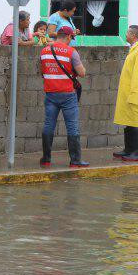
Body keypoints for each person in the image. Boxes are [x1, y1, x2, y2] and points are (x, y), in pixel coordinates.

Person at [39, 25, 89, 168]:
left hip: (50, 93)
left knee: (49, 125)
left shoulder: (44, 51)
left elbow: (42, 71)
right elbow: (82, 73)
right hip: (67, 94)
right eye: (71, 38)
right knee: (72, 127)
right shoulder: (71, 52)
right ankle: (75, 161)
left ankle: (46, 159)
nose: (71, 41)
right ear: (68, 37)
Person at [113, 24, 138, 162]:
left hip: (136, 95)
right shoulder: (135, 50)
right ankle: (129, 149)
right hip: (129, 94)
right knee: (129, 121)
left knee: (137, 123)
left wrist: (134, 95)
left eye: (127, 33)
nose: (125, 35)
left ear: (133, 36)